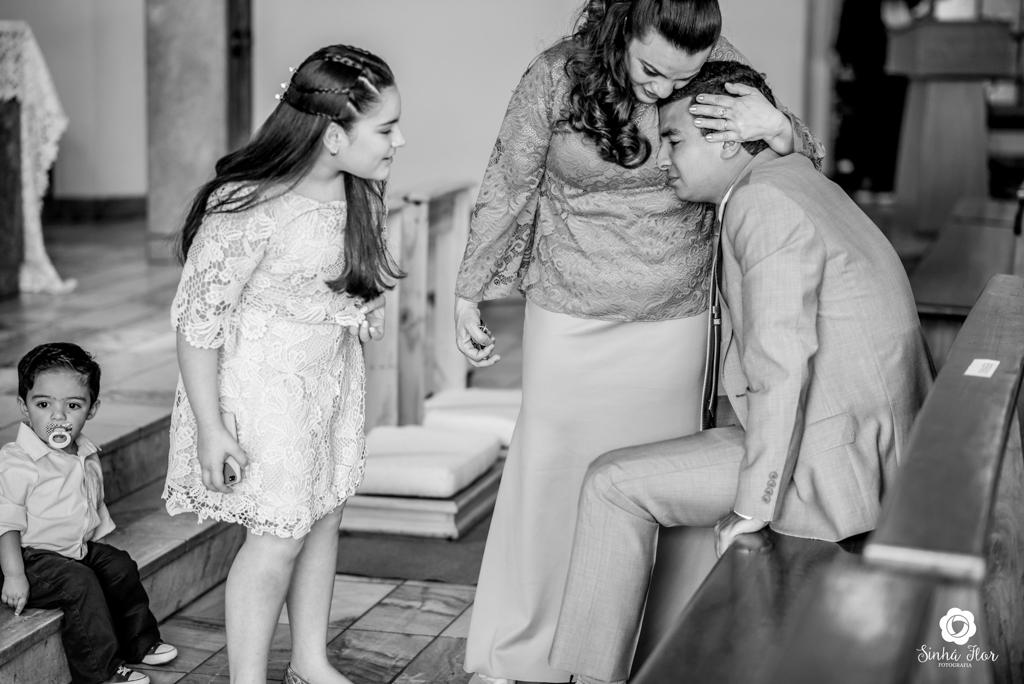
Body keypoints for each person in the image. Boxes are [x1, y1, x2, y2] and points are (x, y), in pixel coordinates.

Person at [452, 2, 824, 682]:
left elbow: (790, 161)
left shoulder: (716, 71)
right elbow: (509, 180)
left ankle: (639, 654)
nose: (662, 89)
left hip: (674, 321)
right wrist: (468, 290)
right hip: (568, 315)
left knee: (656, 486)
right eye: (651, 70)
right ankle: (522, 653)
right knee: (551, 482)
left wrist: (779, 126)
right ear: (622, 28)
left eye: (680, 78)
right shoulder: (556, 75)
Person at [548, 60, 935, 684]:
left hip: (832, 464)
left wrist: (753, 508)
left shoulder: (762, 203)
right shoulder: (794, 176)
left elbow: (782, 365)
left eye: (673, 139)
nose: (662, 159)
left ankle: (589, 680)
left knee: (611, 483)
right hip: (875, 444)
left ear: (728, 140)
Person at [163, 44, 404, 684]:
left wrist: (359, 310)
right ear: (333, 136)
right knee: (278, 536)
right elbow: (197, 322)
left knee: (323, 516)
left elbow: (331, 283)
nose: (399, 141)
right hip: (263, 390)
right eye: (386, 129)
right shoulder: (251, 205)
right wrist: (211, 427)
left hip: (326, 384)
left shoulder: (359, 192)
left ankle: (309, 661)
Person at [0, 343, 178, 684]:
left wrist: (100, 555)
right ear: (24, 406)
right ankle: (102, 672)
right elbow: (5, 523)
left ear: (92, 409)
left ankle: (140, 642)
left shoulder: (85, 452)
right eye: (43, 404)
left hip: (74, 549)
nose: (58, 417)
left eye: (72, 405)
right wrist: (13, 575)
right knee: (80, 583)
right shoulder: (16, 461)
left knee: (119, 565)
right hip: (29, 558)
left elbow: (91, 506)